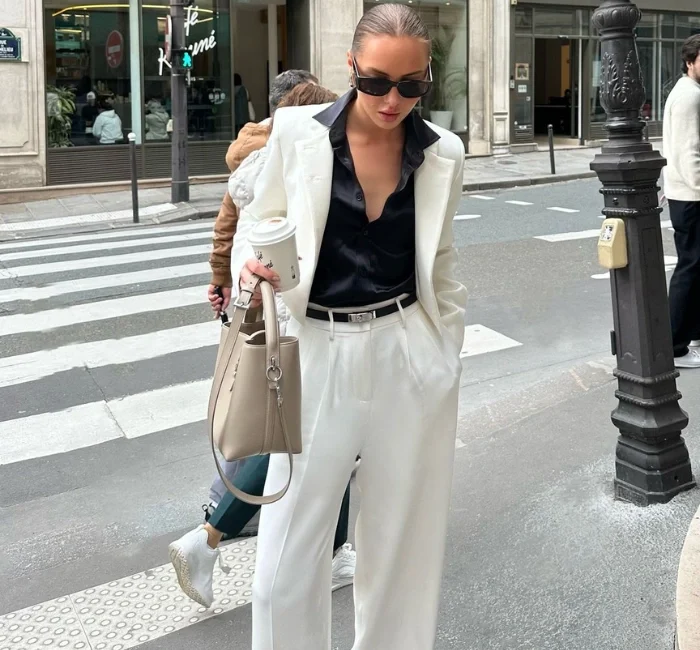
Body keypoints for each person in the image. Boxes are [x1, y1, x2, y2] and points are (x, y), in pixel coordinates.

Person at [230, 4, 466, 648]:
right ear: (352, 67)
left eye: (411, 85)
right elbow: (258, 225)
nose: (393, 100)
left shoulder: (443, 152)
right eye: (376, 82)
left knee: (403, 550)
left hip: (406, 352)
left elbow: (440, 266)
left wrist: (444, 354)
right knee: (284, 562)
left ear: (427, 78)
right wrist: (251, 271)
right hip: (315, 351)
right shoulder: (296, 133)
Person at [169, 80, 356, 611]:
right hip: (297, 318)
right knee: (293, 436)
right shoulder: (299, 164)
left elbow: (224, 230)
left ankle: (333, 551)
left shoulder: (249, 161)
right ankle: (208, 538)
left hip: (254, 311)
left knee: (311, 437)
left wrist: (221, 283)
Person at [663, 34, 700, 368]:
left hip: (685, 194)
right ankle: (674, 345)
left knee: (694, 266)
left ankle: (691, 336)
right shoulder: (690, 97)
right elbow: (690, 153)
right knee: (690, 267)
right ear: (690, 61)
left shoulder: (687, 92)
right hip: (692, 197)